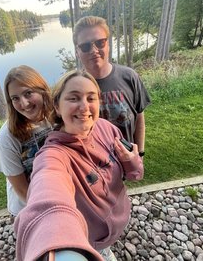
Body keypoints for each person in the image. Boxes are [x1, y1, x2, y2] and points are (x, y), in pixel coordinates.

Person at [14, 70, 144, 261]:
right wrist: (54, 246)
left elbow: (135, 174)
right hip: (91, 243)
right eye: (74, 98)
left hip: (116, 227)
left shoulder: (106, 128)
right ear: (57, 107)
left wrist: (131, 161)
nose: (84, 107)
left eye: (91, 98)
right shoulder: (53, 155)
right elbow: (48, 193)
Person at [73, 16, 151, 158]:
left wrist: (139, 153)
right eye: (85, 46)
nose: (94, 50)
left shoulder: (129, 77)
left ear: (108, 44)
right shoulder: (72, 87)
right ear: (77, 52)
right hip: (91, 166)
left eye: (100, 42)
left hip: (126, 160)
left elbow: (139, 116)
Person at [0, 65, 53, 217]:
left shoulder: (57, 117)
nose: (24, 104)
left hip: (58, 194)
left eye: (28, 93)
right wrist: (47, 213)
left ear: (42, 90)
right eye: (15, 98)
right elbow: (21, 189)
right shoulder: (7, 137)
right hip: (29, 207)